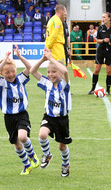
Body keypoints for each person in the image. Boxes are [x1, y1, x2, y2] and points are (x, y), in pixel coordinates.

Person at [0, 45, 39, 175]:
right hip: (8, 117)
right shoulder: (1, 82)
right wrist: (4, 61)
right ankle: (26, 165)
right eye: (7, 72)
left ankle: (32, 154)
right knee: (17, 144)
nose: (10, 74)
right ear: (2, 73)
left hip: (22, 114)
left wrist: (19, 56)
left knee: (23, 137)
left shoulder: (20, 79)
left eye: (12, 71)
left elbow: (31, 68)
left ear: (15, 70)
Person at [30, 49, 72, 177]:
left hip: (62, 119)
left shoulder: (65, 84)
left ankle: (65, 164)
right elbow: (32, 71)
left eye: (54, 71)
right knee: (42, 134)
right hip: (49, 116)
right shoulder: (47, 83)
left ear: (59, 72)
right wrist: (44, 60)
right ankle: (47, 154)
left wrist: (52, 59)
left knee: (62, 147)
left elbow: (65, 71)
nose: (50, 74)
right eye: (48, 72)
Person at [88, 12, 111, 95]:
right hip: (101, 51)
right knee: (96, 70)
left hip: (110, 51)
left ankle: (108, 90)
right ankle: (92, 88)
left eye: (104, 17)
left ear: (109, 18)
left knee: (109, 71)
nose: (103, 19)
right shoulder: (100, 28)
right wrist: (103, 40)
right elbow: (97, 40)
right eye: (102, 17)